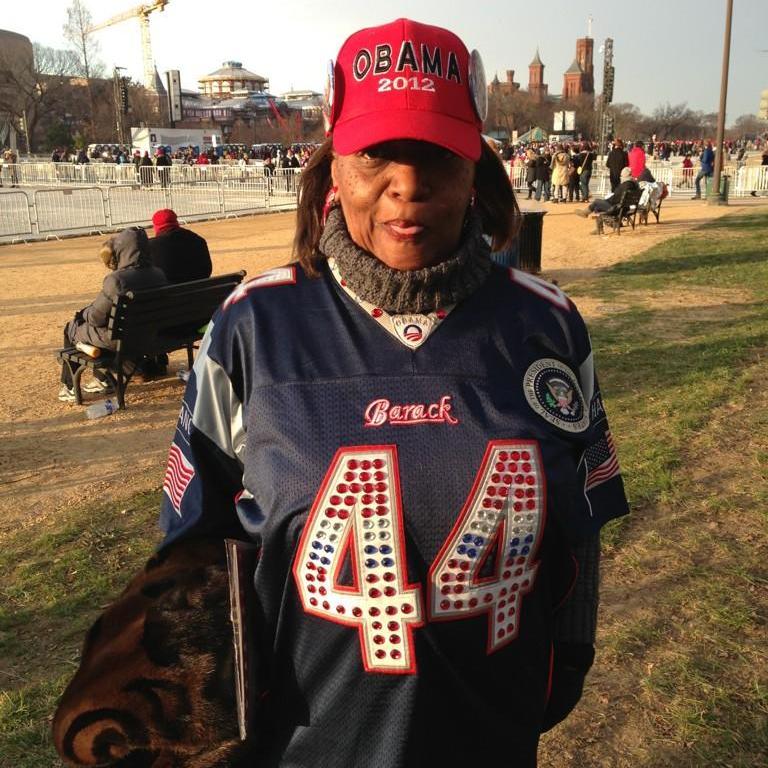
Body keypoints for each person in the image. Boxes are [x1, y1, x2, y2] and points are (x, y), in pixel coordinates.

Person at [52, 18, 629, 767]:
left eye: (438, 156)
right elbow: (197, 551)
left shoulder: (546, 326)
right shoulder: (252, 328)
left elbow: (580, 522)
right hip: (299, 746)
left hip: (490, 738)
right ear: (333, 167)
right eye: (376, 155)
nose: (408, 185)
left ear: (477, 168)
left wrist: (566, 667)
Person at [57, 228, 168, 402]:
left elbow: (95, 317)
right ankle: (102, 379)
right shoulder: (159, 274)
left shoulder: (117, 280)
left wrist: (81, 314)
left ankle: (69, 386)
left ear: (122, 250)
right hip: (148, 335)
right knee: (109, 325)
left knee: (71, 328)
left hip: (119, 340)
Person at [148, 208, 212, 284]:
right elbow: (207, 270)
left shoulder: (151, 246)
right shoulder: (197, 239)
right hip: (200, 289)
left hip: (171, 292)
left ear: (156, 227)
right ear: (176, 222)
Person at [574, 166, 639, 232]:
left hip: (616, 208)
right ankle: (599, 227)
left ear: (624, 175)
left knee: (596, 202)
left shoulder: (625, 185)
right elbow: (619, 197)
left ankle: (586, 214)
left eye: (621, 175)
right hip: (624, 208)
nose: (620, 177)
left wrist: (608, 200)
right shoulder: (632, 184)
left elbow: (617, 198)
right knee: (598, 205)